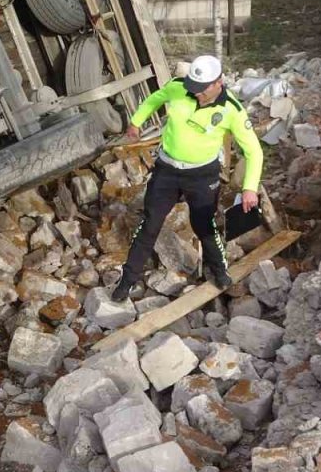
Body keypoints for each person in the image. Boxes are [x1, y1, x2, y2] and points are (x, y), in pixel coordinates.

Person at [111, 54, 263, 301]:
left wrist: (249, 188)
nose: (196, 94)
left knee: (204, 224)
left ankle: (219, 270)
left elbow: (254, 151)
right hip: (167, 171)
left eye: (202, 90)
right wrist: (136, 122)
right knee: (150, 223)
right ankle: (127, 281)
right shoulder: (178, 88)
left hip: (202, 176)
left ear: (218, 83)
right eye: (193, 88)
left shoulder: (232, 110)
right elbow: (153, 99)